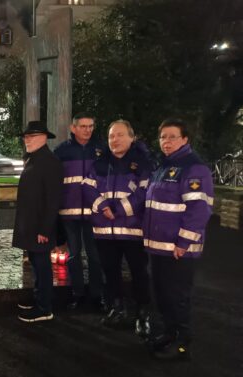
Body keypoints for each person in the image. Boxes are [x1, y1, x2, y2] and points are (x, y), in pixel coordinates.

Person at [143, 118, 214, 360]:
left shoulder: (194, 168)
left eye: (173, 136)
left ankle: (182, 344)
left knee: (178, 297)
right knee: (162, 295)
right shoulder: (163, 167)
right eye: (163, 137)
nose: (167, 141)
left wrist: (183, 244)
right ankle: (168, 335)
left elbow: (199, 211)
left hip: (178, 250)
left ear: (185, 139)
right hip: (160, 248)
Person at [82, 120, 152, 336]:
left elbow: (144, 192)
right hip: (105, 231)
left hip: (132, 231)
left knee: (139, 273)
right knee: (110, 272)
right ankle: (117, 307)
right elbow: (87, 187)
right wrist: (103, 207)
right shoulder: (100, 163)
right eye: (112, 136)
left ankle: (143, 314)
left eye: (120, 135)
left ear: (132, 138)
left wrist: (119, 209)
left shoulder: (143, 163)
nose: (115, 140)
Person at [54, 112, 105, 310]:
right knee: (74, 255)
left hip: (94, 212)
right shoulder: (61, 151)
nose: (87, 130)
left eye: (91, 126)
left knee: (95, 256)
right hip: (69, 213)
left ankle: (96, 296)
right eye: (83, 126)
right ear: (73, 128)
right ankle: (77, 295)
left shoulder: (101, 149)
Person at [13, 121, 63, 322]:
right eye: (25, 137)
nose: (27, 140)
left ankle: (44, 307)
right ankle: (38, 298)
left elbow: (53, 200)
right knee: (35, 264)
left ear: (44, 137)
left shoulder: (50, 162)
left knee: (42, 266)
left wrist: (45, 229)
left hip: (40, 226)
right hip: (31, 224)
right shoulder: (34, 159)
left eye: (31, 136)